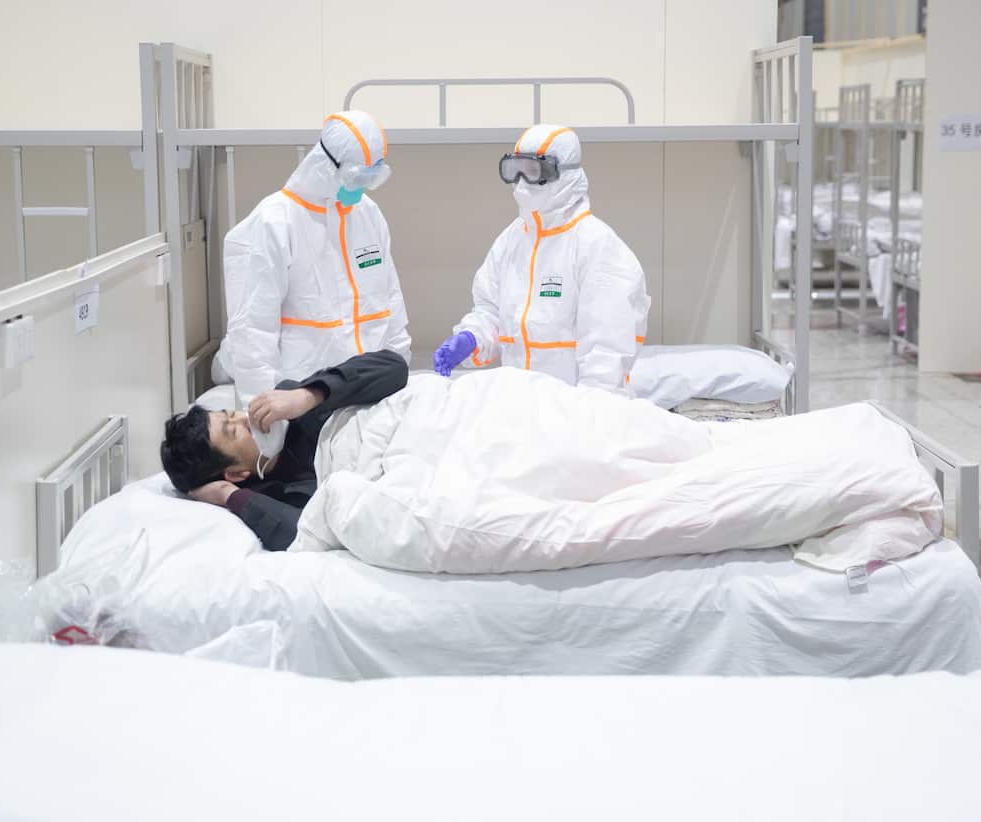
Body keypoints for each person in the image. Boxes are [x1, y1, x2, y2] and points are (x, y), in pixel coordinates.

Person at [213, 110, 411, 460]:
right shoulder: (274, 223)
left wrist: (399, 369)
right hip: (307, 409)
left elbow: (389, 300)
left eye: (371, 177)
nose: (361, 187)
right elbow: (252, 335)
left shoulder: (368, 215)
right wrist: (269, 437)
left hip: (373, 395)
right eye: (356, 177)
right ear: (325, 165)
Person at [432, 124, 650, 393]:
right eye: (514, 170)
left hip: (573, 406)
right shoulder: (512, 240)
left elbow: (607, 352)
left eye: (533, 171)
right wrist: (472, 338)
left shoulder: (597, 245)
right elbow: (491, 313)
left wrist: (590, 410)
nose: (522, 182)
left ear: (563, 174)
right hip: (520, 402)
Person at [162, 350, 408, 551]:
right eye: (234, 431)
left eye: (231, 413)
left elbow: (394, 367)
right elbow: (305, 535)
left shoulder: (292, 404)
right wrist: (228, 495)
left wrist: (308, 395)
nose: (245, 418)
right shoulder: (270, 500)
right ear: (236, 474)